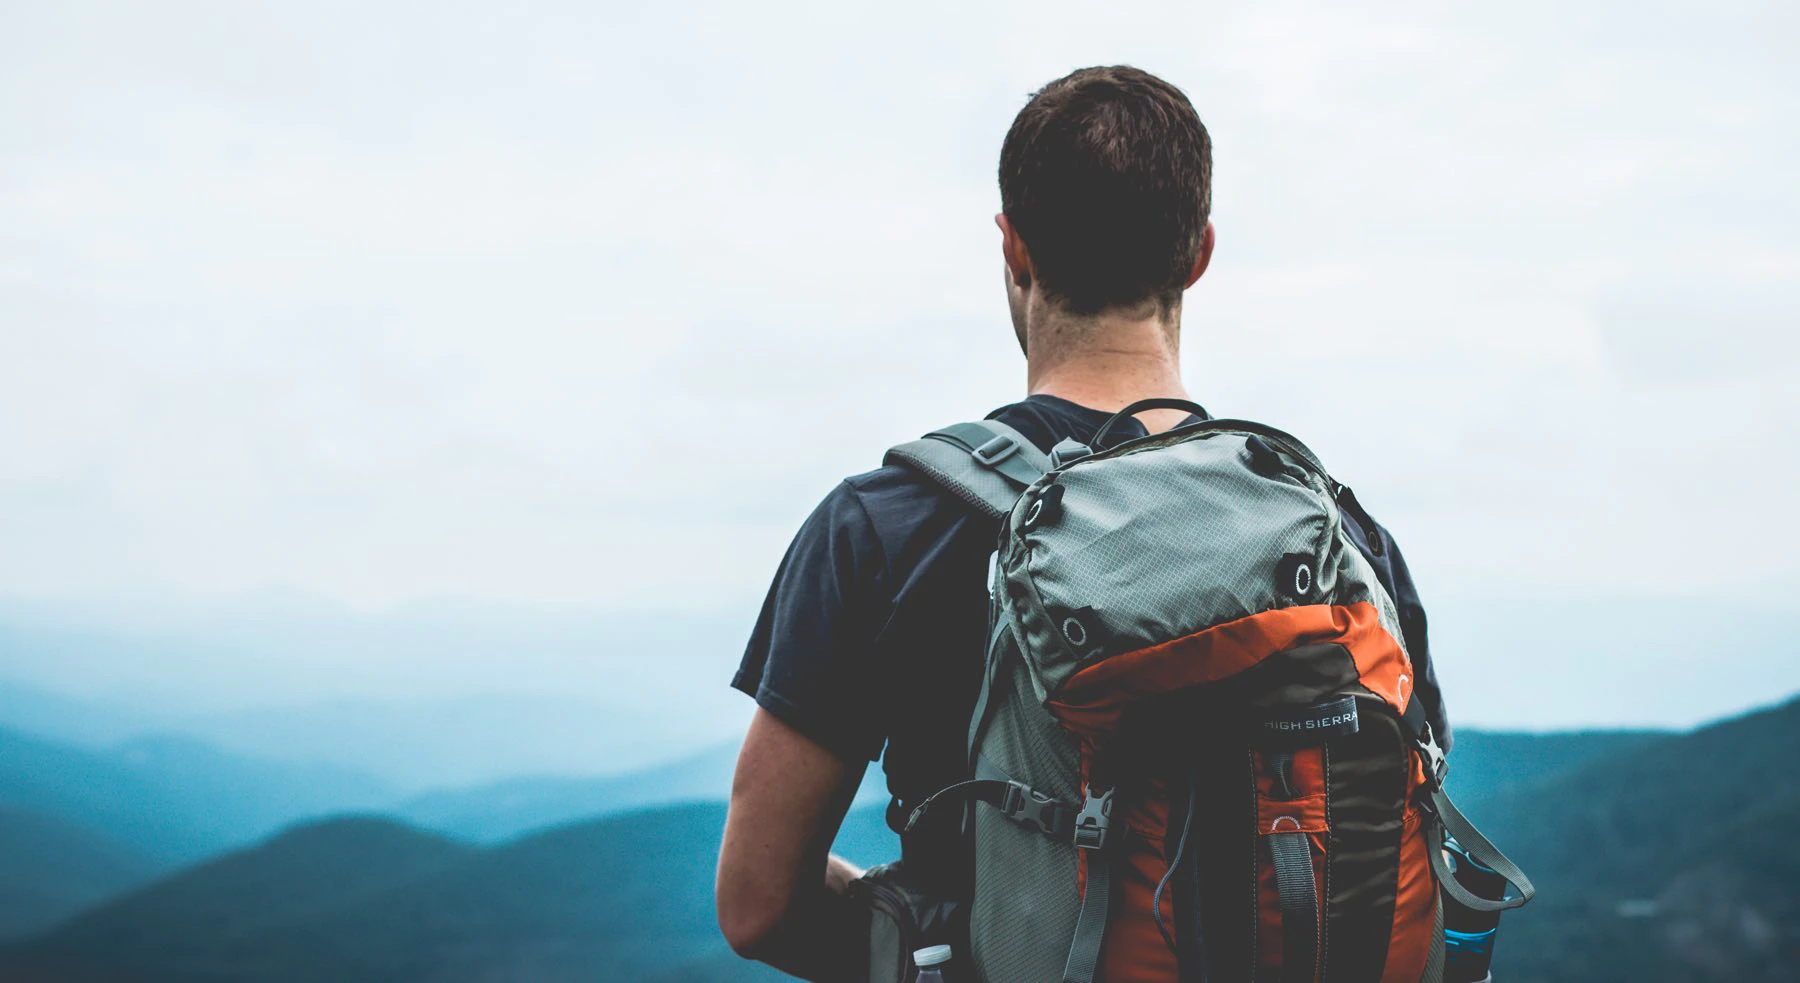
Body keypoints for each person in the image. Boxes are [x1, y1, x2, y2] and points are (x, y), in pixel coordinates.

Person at [715, 64, 1448, 981]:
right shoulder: (1338, 536)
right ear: (1198, 254)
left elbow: (759, 904)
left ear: (1014, 247)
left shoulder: (882, 528)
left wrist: (929, 941)